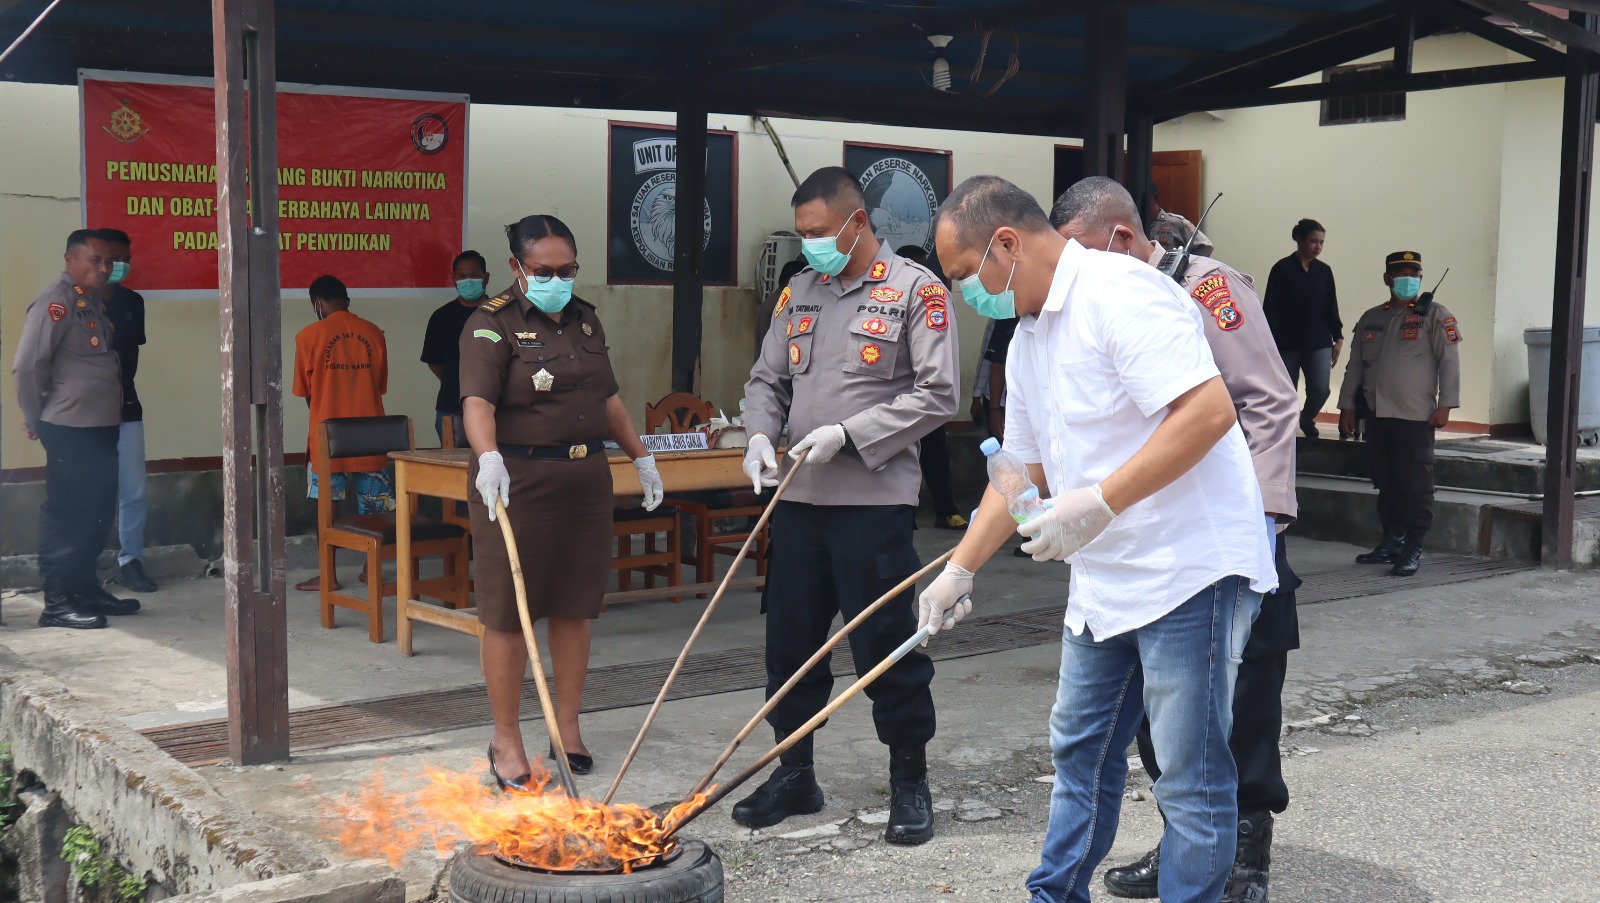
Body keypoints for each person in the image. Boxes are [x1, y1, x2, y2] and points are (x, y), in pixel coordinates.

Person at [922, 176, 1274, 903]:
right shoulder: (1027, 341)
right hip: (1107, 578)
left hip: (1189, 566)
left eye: (964, 277)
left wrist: (1099, 502)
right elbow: (1020, 473)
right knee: (1080, 750)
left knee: (1189, 773)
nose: (965, 296)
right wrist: (958, 570)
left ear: (1007, 245)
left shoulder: (1121, 293)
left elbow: (1207, 414)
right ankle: (1053, 894)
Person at [1052, 176, 1302, 903]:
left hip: (1232, 535)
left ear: (1123, 239)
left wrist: (1253, 524)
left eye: (1081, 253)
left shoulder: (1207, 287)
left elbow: (1268, 402)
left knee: (1243, 698)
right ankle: (1183, 842)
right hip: (1154, 543)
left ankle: (1245, 851)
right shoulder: (1104, 302)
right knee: (1170, 716)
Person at [740, 166, 960, 844]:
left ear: (856, 222)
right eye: (801, 233)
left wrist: (851, 434)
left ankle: (909, 780)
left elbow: (939, 393)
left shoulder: (916, 292)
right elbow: (766, 379)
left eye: (817, 232)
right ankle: (794, 772)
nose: (808, 245)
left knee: (887, 647)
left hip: (873, 506)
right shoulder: (799, 291)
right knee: (791, 645)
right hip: (799, 501)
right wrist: (756, 432)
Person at [460, 214, 663, 785]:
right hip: (516, 483)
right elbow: (477, 401)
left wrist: (640, 456)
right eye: (544, 270)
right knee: (507, 614)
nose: (557, 278)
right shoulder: (489, 324)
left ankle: (566, 726)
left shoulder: (586, 322)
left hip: (583, 480)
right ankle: (505, 741)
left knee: (576, 607)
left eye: (567, 269)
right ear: (517, 268)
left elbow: (609, 398)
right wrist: (489, 457)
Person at [12, 229, 142, 629]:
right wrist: (35, 418)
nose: (104, 268)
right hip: (70, 426)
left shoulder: (93, 301)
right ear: (71, 260)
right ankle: (58, 602)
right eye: (95, 260)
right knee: (69, 514)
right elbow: (29, 365)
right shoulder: (57, 300)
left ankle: (85, 589)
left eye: (109, 262)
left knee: (98, 512)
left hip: (101, 425)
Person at [1338, 251, 1461, 577]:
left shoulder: (1435, 315)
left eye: (1415, 274)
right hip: (1377, 414)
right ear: (1387, 279)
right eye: (1402, 274)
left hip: (1415, 416)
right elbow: (1354, 367)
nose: (1409, 280)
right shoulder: (1371, 318)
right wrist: (1347, 406)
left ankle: (1412, 548)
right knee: (1386, 480)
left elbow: (1449, 361)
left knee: (1416, 484)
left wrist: (1446, 404)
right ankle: (1391, 542)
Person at [291, 274, 391, 593]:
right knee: (374, 509)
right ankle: (369, 571)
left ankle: (328, 575)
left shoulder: (308, 336)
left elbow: (306, 392)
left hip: (328, 438)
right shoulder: (374, 333)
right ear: (346, 299)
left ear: (318, 304)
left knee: (327, 511)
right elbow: (379, 386)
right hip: (370, 436)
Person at [95, 229, 159, 594]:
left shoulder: (133, 302)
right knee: (89, 491)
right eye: (112, 258)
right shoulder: (76, 301)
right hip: (84, 414)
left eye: (124, 260)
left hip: (126, 407)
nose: (118, 266)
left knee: (134, 491)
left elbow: (130, 357)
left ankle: (130, 560)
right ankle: (81, 566)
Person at [897, 243, 965, 530]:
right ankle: (904, 515)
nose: (922, 272)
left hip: (928, 396)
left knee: (936, 458)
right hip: (897, 401)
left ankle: (944, 509)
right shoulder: (893, 298)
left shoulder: (933, 296)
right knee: (899, 461)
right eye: (916, 265)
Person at [1263, 218, 1343, 438]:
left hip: (1318, 341)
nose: (1317, 247)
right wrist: (1267, 342)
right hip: (1286, 341)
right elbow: (1271, 307)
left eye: (1321, 242)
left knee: (1320, 389)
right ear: (1299, 239)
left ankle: (1306, 418)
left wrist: (1338, 336)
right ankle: (1285, 431)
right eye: (1313, 241)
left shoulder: (1324, 271)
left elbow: (1330, 305)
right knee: (1286, 390)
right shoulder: (1281, 269)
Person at [421, 250, 491, 446]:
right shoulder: (441, 317)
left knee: (493, 468)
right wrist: (458, 381)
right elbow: (433, 361)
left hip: (496, 409)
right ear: (454, 280)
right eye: (462, 277)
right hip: (450, 408)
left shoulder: (501, 314)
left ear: (486, 278)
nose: (468, 281)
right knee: (453, 470)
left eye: (475, 276)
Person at [1143, 184, 1213, 257]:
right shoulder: (1136, 223)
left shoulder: (1176, 222)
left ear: (1154, 197)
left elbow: (1206, 246)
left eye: (1144, 197)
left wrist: (1185, 264)